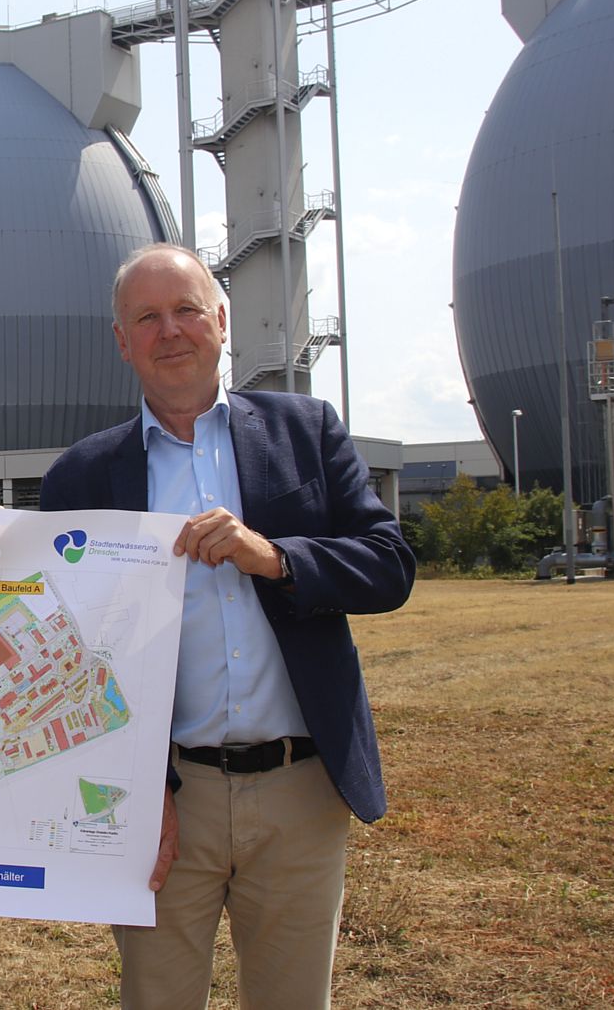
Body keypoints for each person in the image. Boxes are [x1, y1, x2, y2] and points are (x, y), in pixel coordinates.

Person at [40, 244, 414, 1009]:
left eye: (185, 310)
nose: (169, 330)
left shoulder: (305, 430)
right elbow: (65, 647)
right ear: (121, 339)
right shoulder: (82, 475)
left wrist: (273, 555)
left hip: (300, 785)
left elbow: (389, 565)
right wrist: (139, 788)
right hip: (166, 795)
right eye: (146, 317)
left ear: (220, 319)